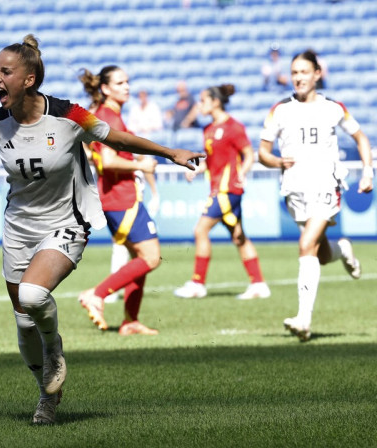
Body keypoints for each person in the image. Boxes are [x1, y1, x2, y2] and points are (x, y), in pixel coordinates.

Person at [0, 35, 202, 425]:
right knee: (22, 321)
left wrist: (171, 153)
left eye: (5, 71)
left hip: (66, 223)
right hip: (18, 228)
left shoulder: (69, 116)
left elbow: (115, 137)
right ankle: (47, 397)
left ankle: (55, 350)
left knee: (33, 296)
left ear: (29, 79)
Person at [258, 50, 373, 342]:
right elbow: (263, 152)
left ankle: (303, 320)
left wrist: (368, 171)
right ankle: (343, 249)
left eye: (304, 72)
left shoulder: (333, 108)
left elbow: (360, 138)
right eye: (294, 72)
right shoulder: (279, 109)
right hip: (295, 191)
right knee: (319, 254)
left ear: (317, 74)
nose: (298, 78)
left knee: (305, 244)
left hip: (326, 186)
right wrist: (277, 162)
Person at [75, 65, 163, 336]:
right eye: (120, 82)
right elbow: (109, 161)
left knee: (140, 257)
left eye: (128, 81)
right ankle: (96, 294)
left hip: (119, 196)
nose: (127, 87)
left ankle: (130, 321)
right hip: (120, 197)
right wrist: (142, 166)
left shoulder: (108, 115)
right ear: (105, 88)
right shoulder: (108, 117)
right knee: (151, 257)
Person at [173, 83, 270, 300]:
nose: (200, 105)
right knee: (238, 237)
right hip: (219, 188)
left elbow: (249, 154)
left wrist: (242, 172)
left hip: (228, 189)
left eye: (203, 101)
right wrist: (196, 171)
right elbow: (213, 162)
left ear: (215, 102)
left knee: (200, 230)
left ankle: (198, 283)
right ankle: (259, 284)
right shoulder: (207, 130)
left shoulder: (234, 127)